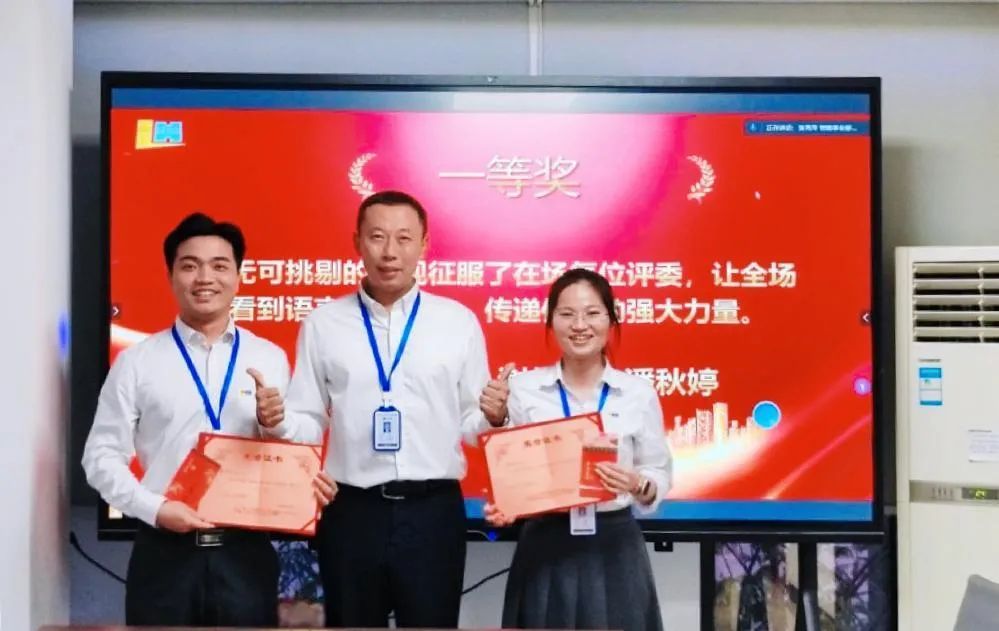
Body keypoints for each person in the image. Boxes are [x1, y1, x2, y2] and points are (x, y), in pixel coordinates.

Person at [257, 190, 504, 628]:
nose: (390, 252)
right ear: (357, 242)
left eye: (404, 238)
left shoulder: (457, 322)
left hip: (432, 511)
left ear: (424, 245)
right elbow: (309, 420)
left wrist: (494, 415)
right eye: (377, 237)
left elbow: (471, 425)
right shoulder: (323, 324)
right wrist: (276, 421)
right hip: (352, 511)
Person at [82, 212, 334, 627]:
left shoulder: (268, 356)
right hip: (164, 552)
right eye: (190, 265)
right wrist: (155, 508)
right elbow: (100, 457)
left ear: (238, 277)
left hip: (245, 553)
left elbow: (303, 440)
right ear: (171, 276)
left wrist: (277, 423)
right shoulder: (136, 362)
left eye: (219, 266)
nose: (205, 278)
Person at [479, 268, 671, 631]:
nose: (579, 325)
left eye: (592, 313)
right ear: (550, 322)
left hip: (615, 544)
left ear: (611, 319)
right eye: (567, 314)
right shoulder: (523, 389)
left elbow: (657, 470)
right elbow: (507, 467)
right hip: (545, 544)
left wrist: (638, 484)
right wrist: (505, 498)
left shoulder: (637, 393)